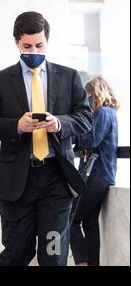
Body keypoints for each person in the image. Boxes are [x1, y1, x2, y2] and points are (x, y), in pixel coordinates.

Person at [0, 11, 93, 266]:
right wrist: (17, 126)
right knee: (16, 254)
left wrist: (59, 123)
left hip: (56, 179)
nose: (34, 50)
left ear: (47, 41)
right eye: (27, 46)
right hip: (17, 182)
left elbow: (85, 119)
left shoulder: (69, 76)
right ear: (16, 42)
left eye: (39, 45)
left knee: (53, 255)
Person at [70, 77, 120, 266]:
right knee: (89, 224)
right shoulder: (108, 113)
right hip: (99, 175)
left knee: (71, 220)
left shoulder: (104, 113)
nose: (87, 100)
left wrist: (76, 130)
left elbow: (90, 141)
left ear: (96, 93)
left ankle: (82, 263)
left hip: (96, 175)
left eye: (89, 95)